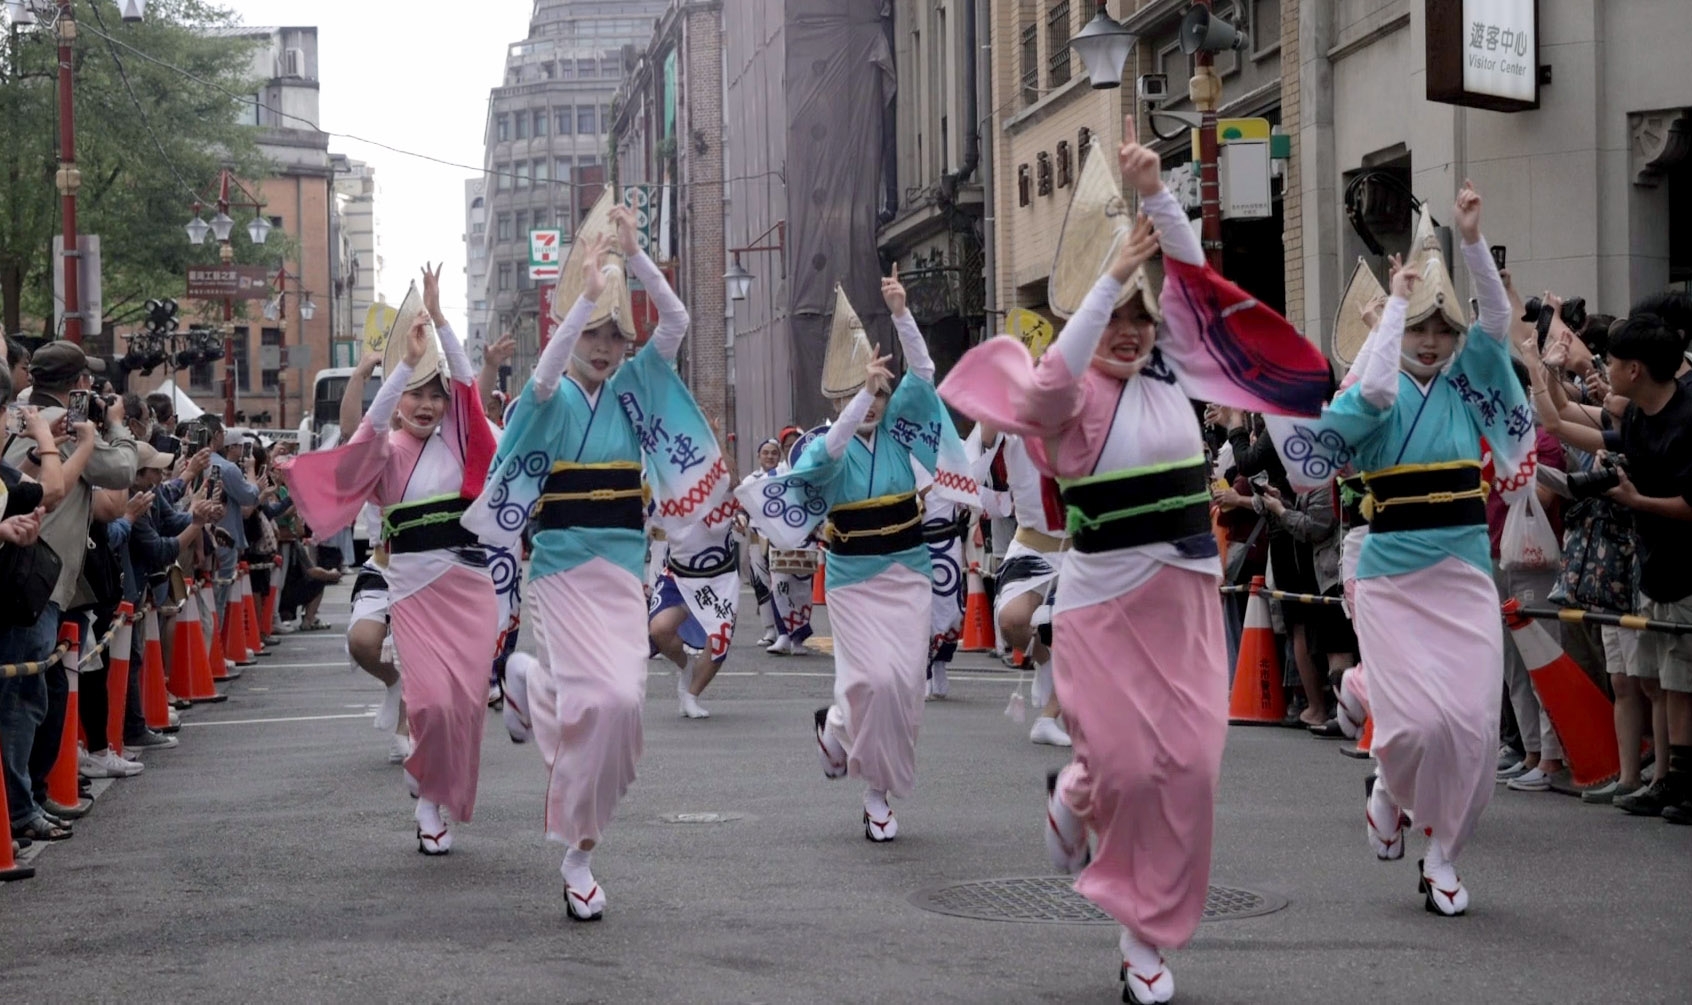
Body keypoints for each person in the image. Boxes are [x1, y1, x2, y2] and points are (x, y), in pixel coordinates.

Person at [940, 119, 1331, 1001]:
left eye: (1137, 317)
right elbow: (1041, 386)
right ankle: (1092, 815)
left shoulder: (1175, 376)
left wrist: (1157, 193)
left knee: (1187, 768)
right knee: (1123, 768)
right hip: (1101, 605)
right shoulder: (1070, 399)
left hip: (1185, 599)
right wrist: (1112, 273)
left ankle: (1144, 929)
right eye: (1112, 316)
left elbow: (1198, 287)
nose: (1127, 329)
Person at [1266, 181, 1536, 916]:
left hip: (1462, 574)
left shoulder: (1469, 382)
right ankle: (1389, 785)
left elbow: (1500, 320)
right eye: (1419, 327)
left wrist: (1471, 241)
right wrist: (1392, 308)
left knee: (1475, 727)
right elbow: (1371, 388)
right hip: (1392, 578)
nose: (1431, 340)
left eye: (1441, 330)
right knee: (1416, 726)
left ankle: (1445, 853)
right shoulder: (1372, 398)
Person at [466, 196, 722, 918]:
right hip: (558, 574)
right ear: (572, 329)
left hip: (621, 574)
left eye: (615, 331)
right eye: (594, 331)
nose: (605, 344)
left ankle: (522, 681)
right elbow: (544, 378)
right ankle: (578, 853)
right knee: (596, 701)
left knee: (625, 706)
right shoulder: (546, 400)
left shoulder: (637, 389)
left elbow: (677, 323)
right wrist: (578, 302)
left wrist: (635, 258)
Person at [281, 264, 500, 855]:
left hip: (471, 584)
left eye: (435, 394)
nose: (427, 404)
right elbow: (364, 427)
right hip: (413, 588)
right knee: (427, 702)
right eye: (415, 395)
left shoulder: (464, 437)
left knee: (463, 708)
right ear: (399, 402)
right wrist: (398, 363)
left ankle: (434, 792)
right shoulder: (383, 451)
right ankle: (429, 802)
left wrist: (443, 318)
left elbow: (469, 392)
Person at [738, 270, 952, 845]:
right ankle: (876, 793)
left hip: (908, 570)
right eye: (865, 392)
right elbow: (827, 452)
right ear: (839, 396)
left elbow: (926, 375)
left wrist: (901, 314)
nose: (878, 402)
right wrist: (860, 395)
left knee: (904, 684)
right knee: (871, 680)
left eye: (882, 392)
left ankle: (835, 731)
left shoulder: (902, 435)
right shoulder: (821, 445)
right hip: (855, 579)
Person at [1532, 311, 1692, 822]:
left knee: (1680, 681)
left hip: (1684, 568)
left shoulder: (1687, 421)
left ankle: (1679, 783)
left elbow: (1689, 505)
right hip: (1652, 565)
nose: (1605, 368)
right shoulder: (1640, 417)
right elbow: (1564, 422)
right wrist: (1543, 366)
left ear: (1636, 369)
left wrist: (1634, 499)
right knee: (1658, 682)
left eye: (1614, 361)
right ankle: (1664, 779)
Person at [4, 342, 138, 835]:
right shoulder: (53, 426)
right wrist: (114, 424)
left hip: (40, 579)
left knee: (41, 690)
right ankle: (20, 810)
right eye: (91, 382)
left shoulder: (24, 417)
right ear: (79, 384)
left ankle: (32, 799)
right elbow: (120, 470)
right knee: (24, 696)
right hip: (31, 581)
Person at [975, 427, 1072, 742]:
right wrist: (986, 432)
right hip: (1031, 544)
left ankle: (1048, 718)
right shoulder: (1009, 414)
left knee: (1080, 632)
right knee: (1013, 621)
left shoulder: (1089, 410)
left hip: (1084, 546)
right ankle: (1046, 662)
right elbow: (972, 469)